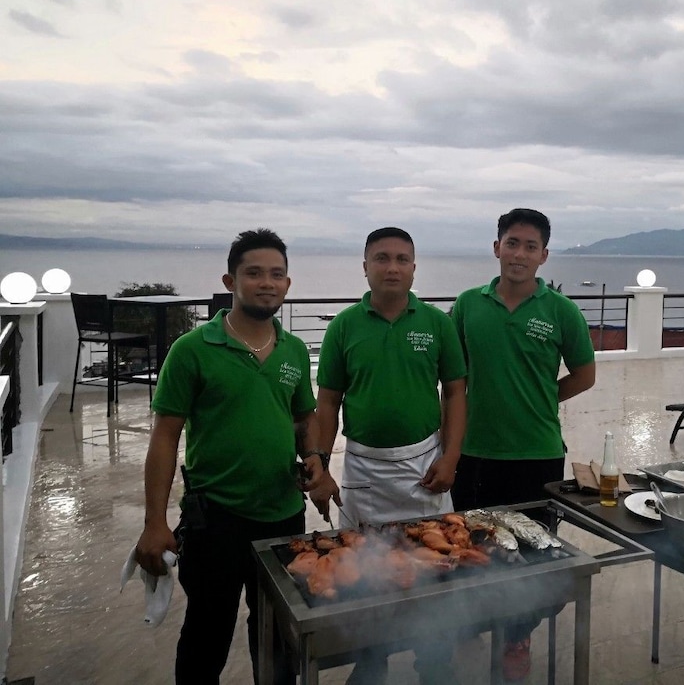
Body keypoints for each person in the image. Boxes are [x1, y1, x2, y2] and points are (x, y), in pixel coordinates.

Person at [135, 228, 339, 685]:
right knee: (207, 635)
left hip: (283, 514)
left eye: (277, 274)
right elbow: (165, 437)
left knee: (277, 636)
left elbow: (303, 417)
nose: (267, 283)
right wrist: (154, 521)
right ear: (230, 281)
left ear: (288, 283)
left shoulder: (292, 350)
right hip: (215, 519)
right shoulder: (192, 350)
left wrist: (315, 458)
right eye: (254, 273)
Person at [315, 226, 467, 685]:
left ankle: (434, 659)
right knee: (366, 569)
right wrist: (319, 462)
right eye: (381, 258)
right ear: (365, 267)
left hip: (424, 463)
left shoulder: (436, 323)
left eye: (402, 259)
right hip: (364, 469)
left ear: (414, 268)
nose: (392, 267)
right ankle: (371, 659)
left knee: (435, 564)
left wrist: (451, 457)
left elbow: (455, 392)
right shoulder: (344, 326)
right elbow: (328, 402)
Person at [450, 207, 596, 682]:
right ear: (497, 247)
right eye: (512, 243)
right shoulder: (468, 305)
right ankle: (472, 619)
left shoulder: (561, 311)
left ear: (543, 256)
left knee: (530, 553)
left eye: (530, 246)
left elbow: (585, 374)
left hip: (537, 454)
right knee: (472, 543)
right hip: (474, 452)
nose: (519, 254)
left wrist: (543, 397)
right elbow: (453, 377)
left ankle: (517, 634)